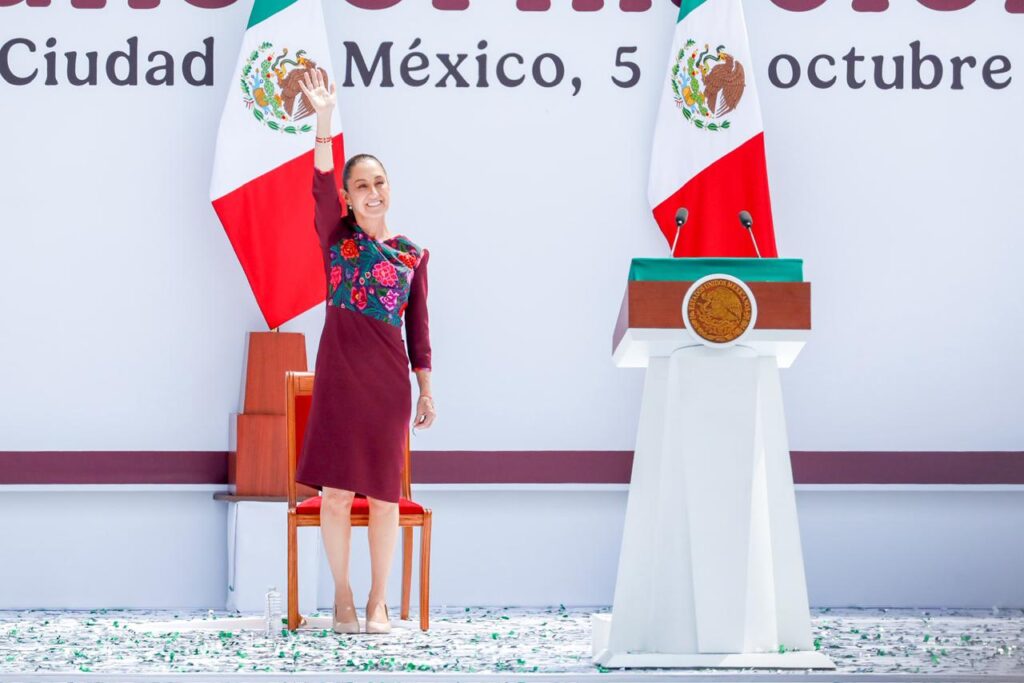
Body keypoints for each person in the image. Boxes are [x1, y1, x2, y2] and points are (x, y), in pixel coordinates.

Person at [294, 67, 436, 635]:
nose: (373, 192)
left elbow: (419, 331)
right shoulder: (337, 240)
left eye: (380, 182)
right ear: (349, 200)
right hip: (338, 381)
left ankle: (379, 601)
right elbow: (320, 186)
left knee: (383, 498)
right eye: (361, 186)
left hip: (387, 389)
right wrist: (325, 122)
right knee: (334, 495)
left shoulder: (412, 256)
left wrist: (426, 391)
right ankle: (343, 598)